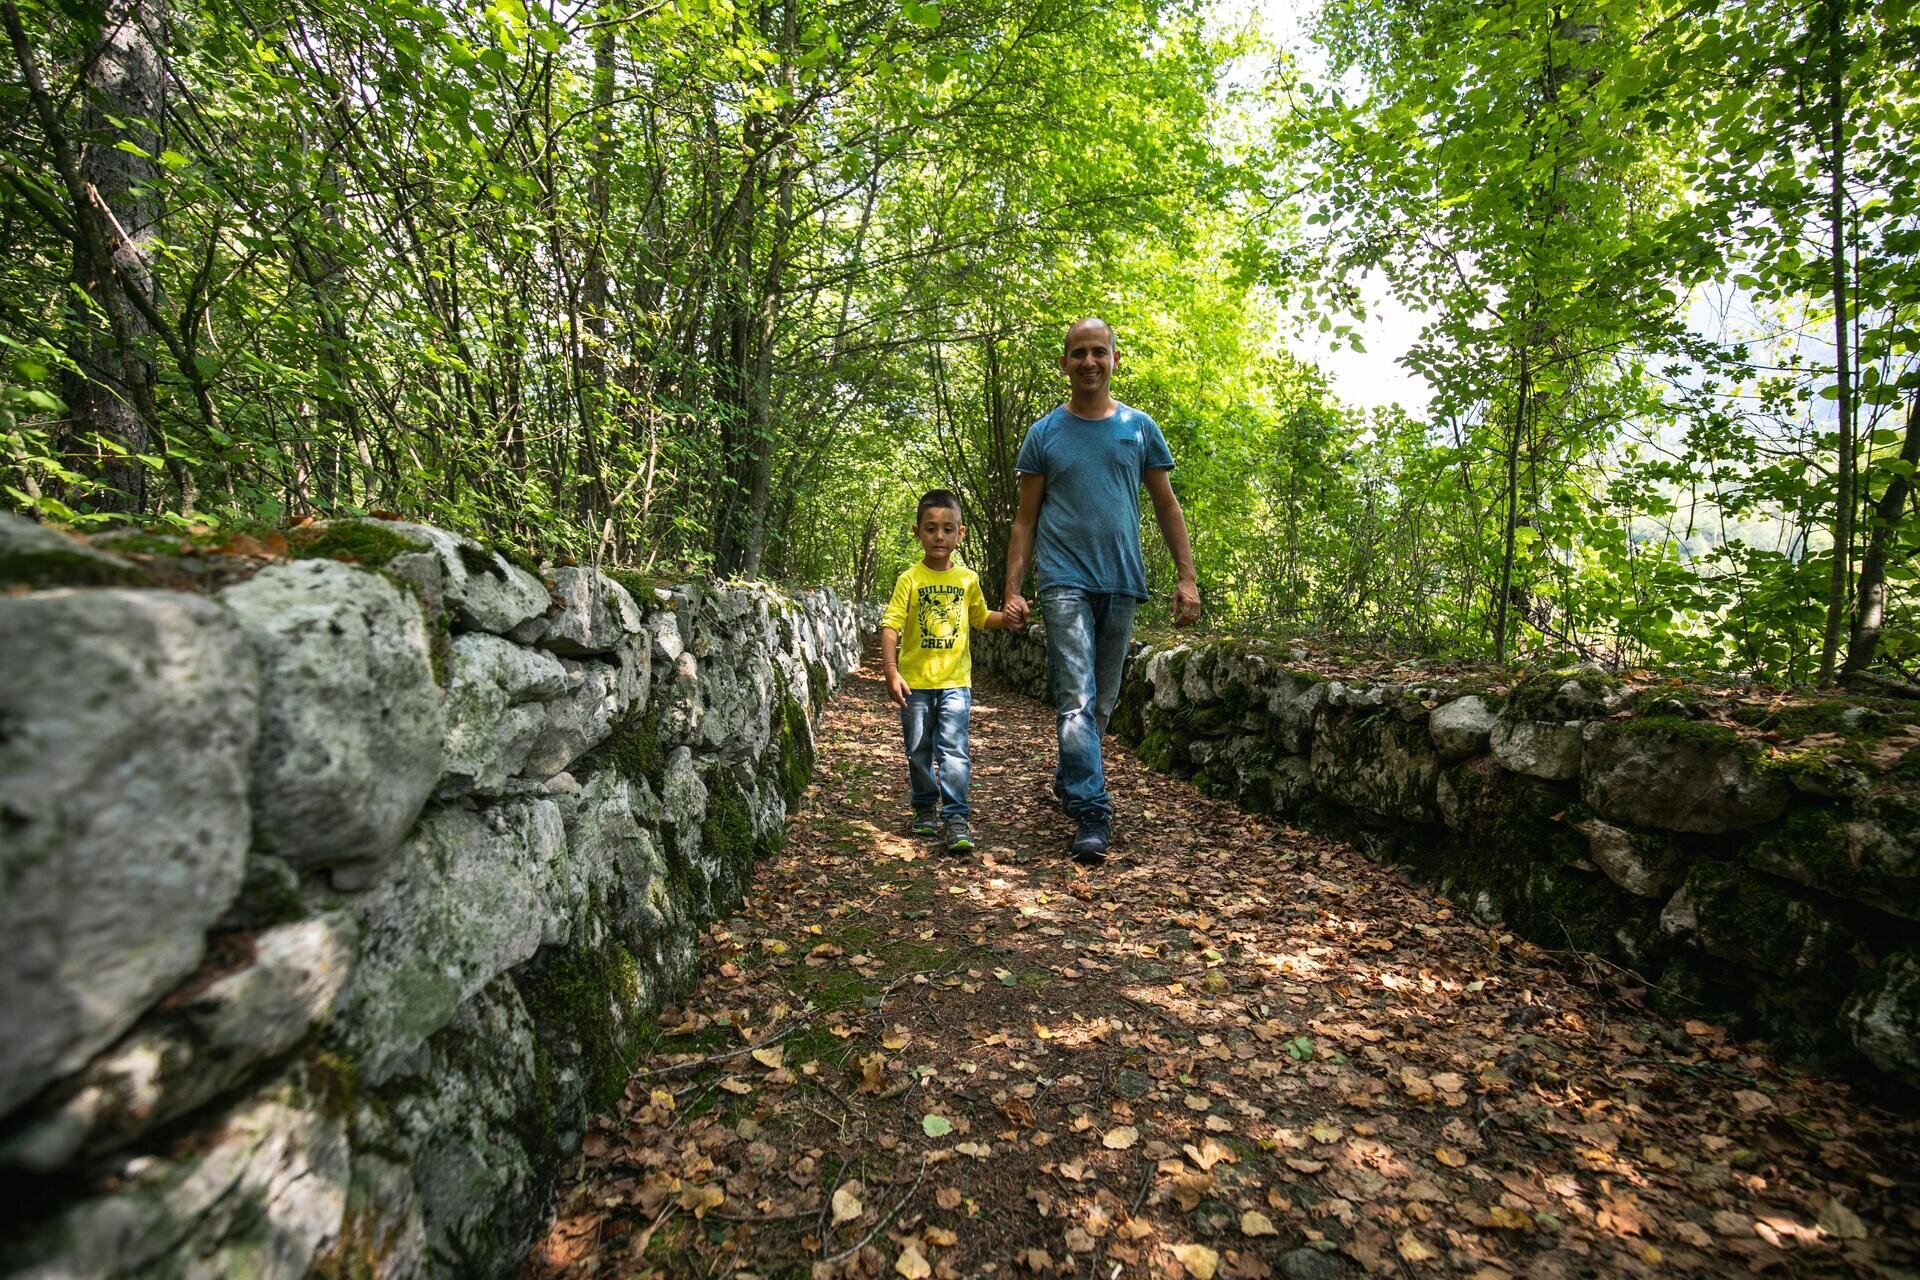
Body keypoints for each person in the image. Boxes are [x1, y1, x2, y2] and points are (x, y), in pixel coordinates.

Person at [1002, 317, 1200, 865]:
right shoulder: (1044, 434)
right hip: (1062, 579)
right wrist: (1013, 590)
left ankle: (1072, 777)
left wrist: (1186, 577)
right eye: (1079, 353)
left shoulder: (1139, 428)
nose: (1089, 362)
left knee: (1103, 701)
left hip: (1121, 580)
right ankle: (1092, 812)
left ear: (1114, 359)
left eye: (1098, 352)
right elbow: (1025, 520)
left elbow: (1166, 505)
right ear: (1064, 363)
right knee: (1076, 696)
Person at [880, 489, 1016, 854]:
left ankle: (956, 816)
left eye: (947, 529)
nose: (939, 536)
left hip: (956, 683)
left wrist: (1008, 618)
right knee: (918, 749)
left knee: (954, 751)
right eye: (930, 528)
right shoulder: (910, 579)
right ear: (917, 532)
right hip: (915, 685)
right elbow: (891, 624)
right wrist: (891, 670)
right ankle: (925, 807)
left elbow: (981, 618)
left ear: (960, 533)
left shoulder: (967, 579)